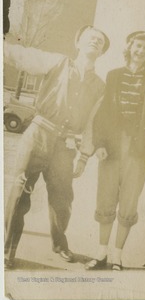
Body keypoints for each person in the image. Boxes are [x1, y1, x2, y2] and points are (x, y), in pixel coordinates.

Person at [4, 25, 110, 269]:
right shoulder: (56, 62)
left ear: (102, 52)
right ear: (78, 42)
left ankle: (59, 244)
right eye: (91, 37)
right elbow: (20, 56)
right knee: (19, 192)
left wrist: (84, 156)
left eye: (100, 41)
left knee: (63, 199)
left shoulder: (100, 86)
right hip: (38, 134)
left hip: (66, 145)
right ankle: (7, 251)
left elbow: (92, 123)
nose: (95, 42)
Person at [85, 31, 145, 271]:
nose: (141, 51)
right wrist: (99, 144)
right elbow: (103, 113)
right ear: (129, 47)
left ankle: (117, 255)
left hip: (139, 148)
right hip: (111, 146)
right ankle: (101, 253)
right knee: (106, 197)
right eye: (137, 46)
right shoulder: (114, 76)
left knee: (129, 201)